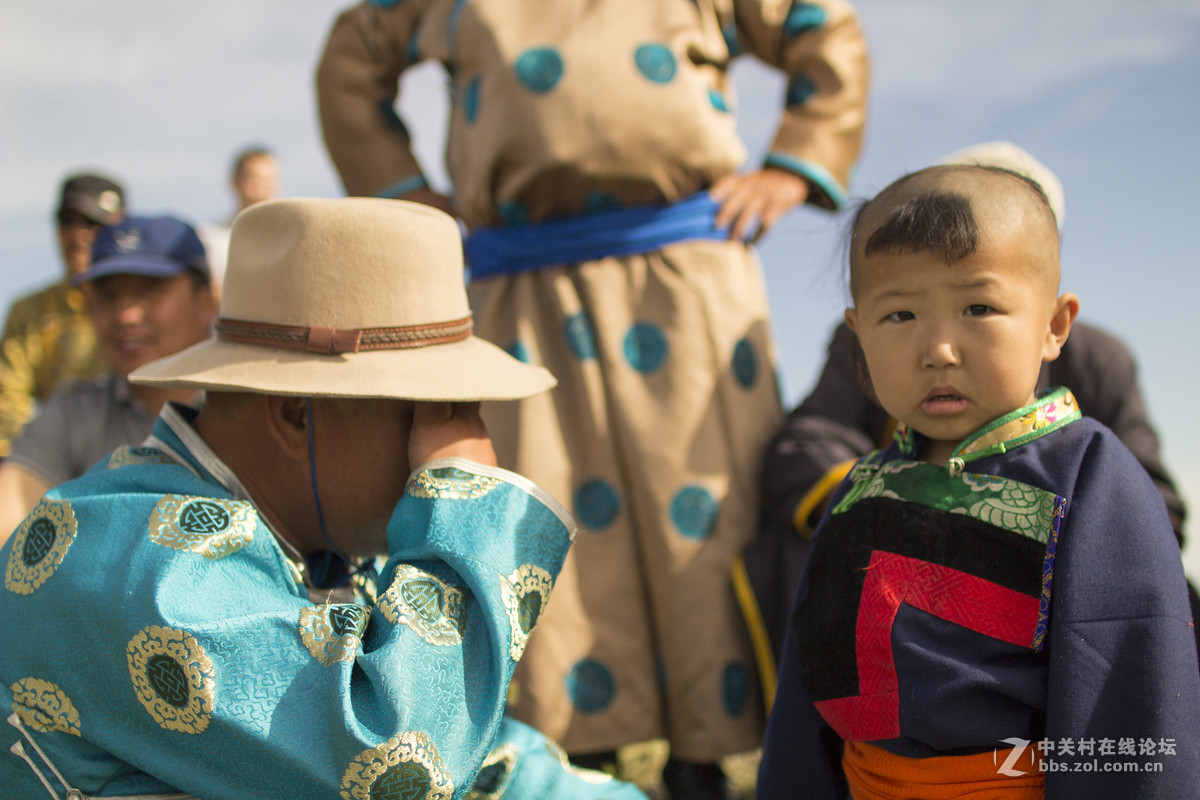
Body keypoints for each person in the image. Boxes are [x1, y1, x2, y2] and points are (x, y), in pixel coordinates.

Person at [316, 3, 869, 794]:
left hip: (686, 273)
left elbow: (820, 20)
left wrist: (796, 159)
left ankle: (711, 756)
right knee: (545, 515)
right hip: (519, 281)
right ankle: (574, 762)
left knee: (706, 518)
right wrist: (404, 192)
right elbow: (352, 60)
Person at [0, 197, 648, 800]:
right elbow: (398, 763)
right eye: (431, 415)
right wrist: (459, 507)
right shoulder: (144, 566)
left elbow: (490, 763)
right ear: (296, 418)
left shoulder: (298, 535)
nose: (463, 442)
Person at [756, 164, 1200, 797]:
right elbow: (809, 691)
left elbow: (1129, 687)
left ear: (1053, 325)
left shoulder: (1089, 476)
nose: (939, 348)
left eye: (978, 307)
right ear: (857, 337)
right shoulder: (861, 487)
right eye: (901, 315)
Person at [0, 215, 217, 541]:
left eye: (148, 291)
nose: (125, 316)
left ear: (206, 302)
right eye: (107, 296)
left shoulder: (254, 410)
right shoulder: (74, 412)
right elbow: (10, 515)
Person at [0, 172, 125, 458]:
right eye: (67, 222)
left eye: (93, 223)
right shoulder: (29, 311)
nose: (78, 235)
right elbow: (8, 399)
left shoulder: (153, 309)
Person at [198, 146, 280, 293]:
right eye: (255, 178)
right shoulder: (210, 237)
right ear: (235, 181)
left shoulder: (287, 239)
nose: (262, 187)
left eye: (269, 180)